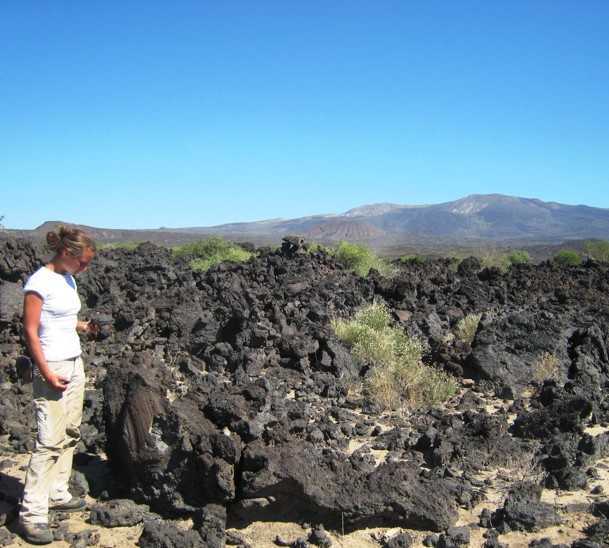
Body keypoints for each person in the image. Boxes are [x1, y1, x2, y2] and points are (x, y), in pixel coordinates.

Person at [19, 225, 99, 545]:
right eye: (83, 262)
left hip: (74, 362)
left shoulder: (67, 277)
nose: (85, 268)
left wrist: (83, 325)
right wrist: (45, 372)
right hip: (52, 365)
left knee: (70, 430)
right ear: (67, 254)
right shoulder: (38, 282)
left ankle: (58, 492)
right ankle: (33, 513)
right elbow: (31, 329)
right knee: (49, 439)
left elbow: (62, 318)